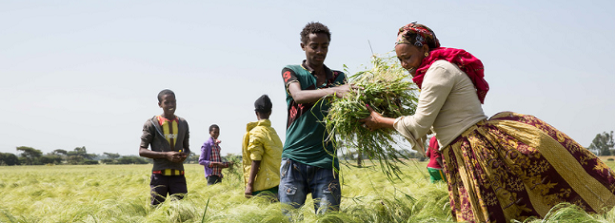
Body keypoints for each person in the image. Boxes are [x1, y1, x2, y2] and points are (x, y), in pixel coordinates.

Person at [360, 22, 615, 222]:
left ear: (424, 49)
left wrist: (378, 119)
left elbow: (419, 125)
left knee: (486, 213)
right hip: (463, 147)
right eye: (400, 60)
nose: (404, 65)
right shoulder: (438, 68)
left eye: (408, 57)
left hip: (472, 149)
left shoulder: (438, 71)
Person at [280, 21, 352, 215]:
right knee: (291, 218)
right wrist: (336, 91)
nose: (319, 51)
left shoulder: (338, 77)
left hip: (326, 162)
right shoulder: (292, 71)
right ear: (303, 46)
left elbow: (350, 109)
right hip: (294, 160)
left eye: (324, 46)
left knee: (328, 219)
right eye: (314, 46)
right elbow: (298, 96)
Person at [139, 89, 190, 206]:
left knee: (181, 210)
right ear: (160, 104)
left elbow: (187, 148)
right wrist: (166, 155)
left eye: (173, 102)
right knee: (156, 208)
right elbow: (142, 150)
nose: (170, 105)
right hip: (159, 176)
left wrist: (184, 155)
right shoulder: (152, 124)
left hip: (178, 176)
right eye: (166, 102)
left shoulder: (182, 123)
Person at [242, 94, 283, 199]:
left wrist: (250, 185)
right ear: (270, 112)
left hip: (262, 186)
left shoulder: (256, 133)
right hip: (277, 184)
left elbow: (256, 159)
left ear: (256, 113)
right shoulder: (274, 133)